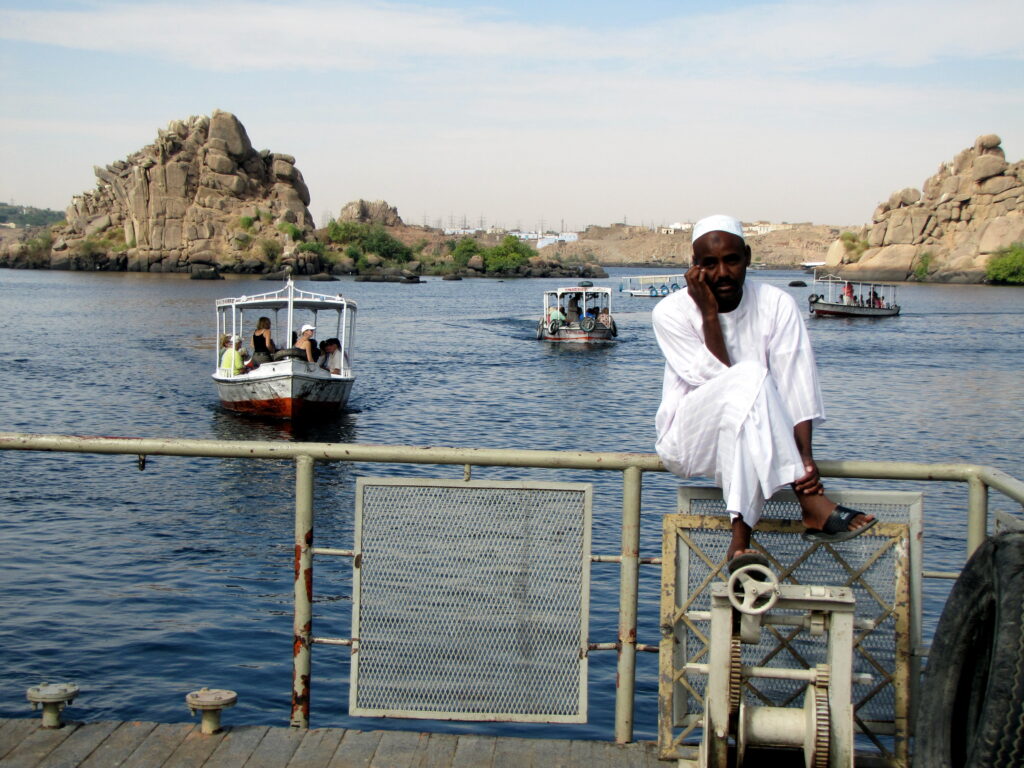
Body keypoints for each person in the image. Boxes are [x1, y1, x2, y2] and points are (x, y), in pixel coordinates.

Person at [652, 214, 875, 570]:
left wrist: (806, 459)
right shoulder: (670, 312)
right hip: (688, 440)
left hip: (750, 436)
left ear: (748, 257)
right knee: (750, 376)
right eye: (709, 264)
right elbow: (718, 381)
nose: (722, 272)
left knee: (749, 411)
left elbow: (797, 386)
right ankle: (812, 505)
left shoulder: (776, 304)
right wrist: (709, 313)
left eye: (731, 260)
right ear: (694, 268)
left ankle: (739, 544)